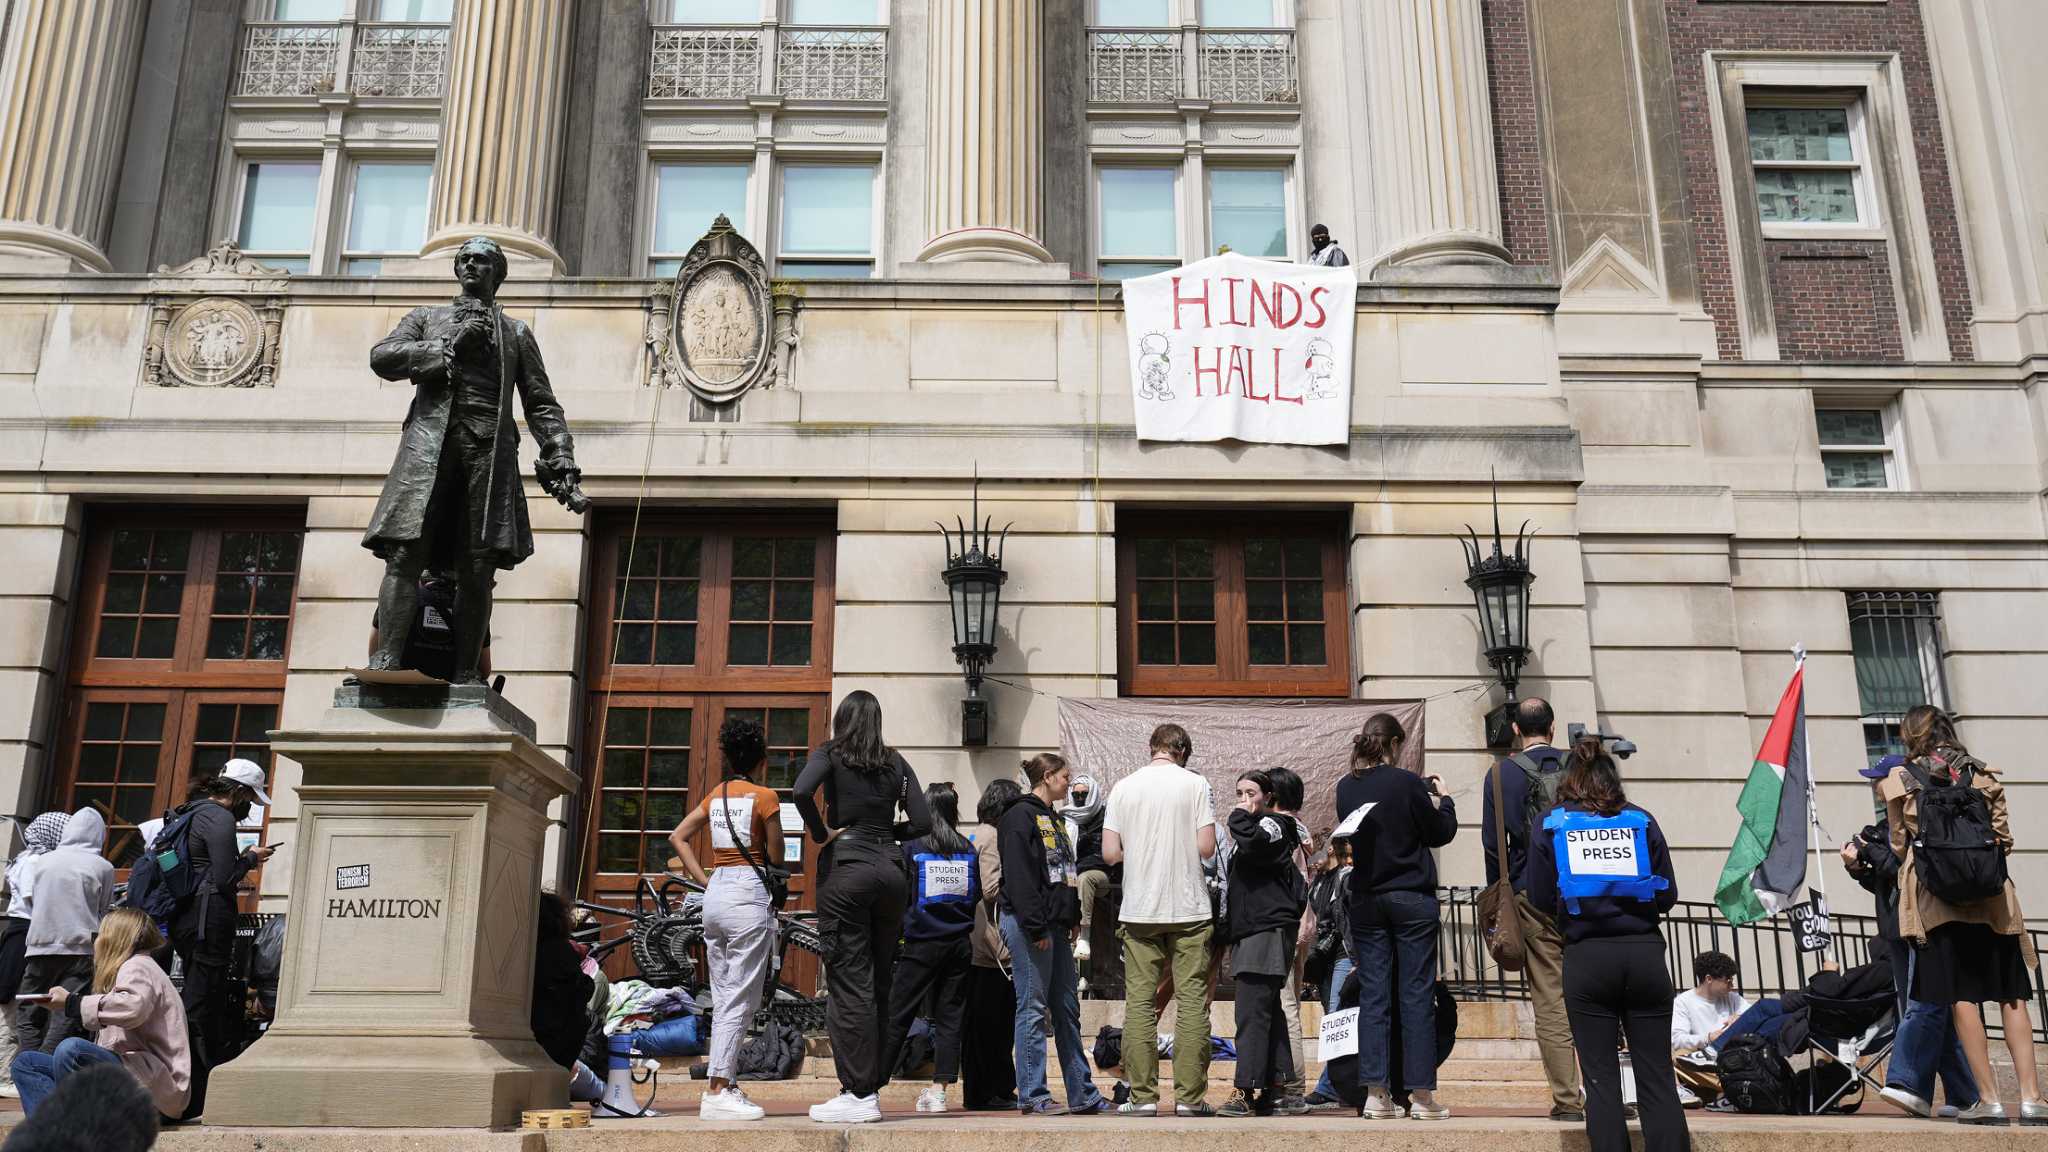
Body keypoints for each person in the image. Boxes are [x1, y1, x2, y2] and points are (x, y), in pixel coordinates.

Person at [1883, 705, 2044, 1125]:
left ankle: (1988, 1100)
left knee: (1962, 998)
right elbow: (2004, 838)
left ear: (1909, 735)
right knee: (2012, 997)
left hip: (1938, 906)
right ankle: (2031, 1099)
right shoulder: (1984, 774)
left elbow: (1900, 846)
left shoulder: (1900, 781)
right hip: (1993, 904)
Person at [1526, 736, 1684, 1152]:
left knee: (1600, 1081)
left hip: (1587, 956)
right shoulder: (1642, 820)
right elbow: (1667, 894)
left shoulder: (1550, 823)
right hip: (1644, 952)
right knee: (1657, 1078)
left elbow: (1539, 898)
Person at [792, 690, 932, 1124]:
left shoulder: (831, 753)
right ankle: (868, 1087)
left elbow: (800, 792)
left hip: (847, 869)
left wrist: (821, 833)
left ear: (842, 719)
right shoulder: (896, 762)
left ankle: (857, 1093)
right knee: (879, 983)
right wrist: (887, 834)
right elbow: (924, 822)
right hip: (891, 871)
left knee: (850, 982)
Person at [1842, 754, 1979, 1119]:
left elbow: (1911, 873)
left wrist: (1872, 850)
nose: (1874, 786)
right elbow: (1887, 883)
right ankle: (1965, 1094)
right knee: (1930, 1011)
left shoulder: (1921, 818)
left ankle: (1907, 1083)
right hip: (1896, 929)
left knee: (1923, 1006)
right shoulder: (1886, 824)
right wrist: (1858, 869)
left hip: (1921, 926)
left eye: (1879, 779)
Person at [1337, 712, 1455, 1120]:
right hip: (1410, 896)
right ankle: (1421, 1096)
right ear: (1393, 744)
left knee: (1374, 997)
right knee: (1416, 994)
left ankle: (1376, 1093)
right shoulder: (1407, 782)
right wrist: (1445, 800)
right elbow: (1438, 832)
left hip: (1367, 898)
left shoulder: (1344, 787)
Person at [669, 716, 783, 1122]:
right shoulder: (765, 796)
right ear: (761, 758)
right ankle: (717, 1087)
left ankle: (724, 1082)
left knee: (723, 996)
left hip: (715, 896)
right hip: (747, 896)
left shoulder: (715, 796)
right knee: (742, 997)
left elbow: (678, 837)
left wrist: (705, 881)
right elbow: (777, 854)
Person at [1102, 723, 1218, 1117]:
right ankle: (1189, 1099)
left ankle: (1143, 1098)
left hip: (1139, 909)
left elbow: (1109, 853)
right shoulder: (1195, 785)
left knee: (1139, 1003)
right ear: (1182, 750)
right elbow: (1206, 847)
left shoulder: (1122, 787)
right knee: (1191, 1004)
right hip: (1189, 907)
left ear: (1151, 748)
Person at [1479, 697, 1582, 1120]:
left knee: (1551, 1001)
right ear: (1553, 728)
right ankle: (1608, 1090)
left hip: (1531, 895)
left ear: (1516, 731)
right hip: (1587, 891)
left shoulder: (1501, 774)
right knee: (1597, 996)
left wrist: (1499, 891)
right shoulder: (1580, 765)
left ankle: (1568, 1100)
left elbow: (1491, 842)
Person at [163, 759, 278, 1119]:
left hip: (186, 916)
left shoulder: (191, 810)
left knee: (197, 998)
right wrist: (250, 858)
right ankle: (193, 1091)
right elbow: (226, 874)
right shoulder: (221, 818)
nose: (249, 809)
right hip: (208, 919)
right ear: (240, 793)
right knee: (202, 1003)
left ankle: (187, 1086)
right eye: (251, 800)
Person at [999, 754, 1112, 1117]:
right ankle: (1033, 1094)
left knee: (1067, 1008)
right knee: (1032, 1008)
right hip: (1031, 925)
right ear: (1047, 777)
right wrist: (1035, 927)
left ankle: (1082, 1093)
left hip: (1057, 925)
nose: (1069, 783)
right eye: (1064, 777)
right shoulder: (1018, 816)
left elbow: (1066, 872)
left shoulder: (1057, 819)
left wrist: (1073, 915)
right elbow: (1019, 877)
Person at [10, 907, 188, 1120]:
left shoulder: (137, 966)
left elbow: (132, 1008)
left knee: (72, 1050)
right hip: (134, 1078)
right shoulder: (131, 968)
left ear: (115, 939)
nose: (95, 942)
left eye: (99, 935)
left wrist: (72, 1003)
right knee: (27, 1063)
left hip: (154, 1092)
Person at [886, 782, 980, 1114]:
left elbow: (902, 893)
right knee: (950, 1017)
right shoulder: (968, 849)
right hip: (958, 944)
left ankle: (872, 1084)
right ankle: (940, 1090)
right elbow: (976, 895)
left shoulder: (913, 847)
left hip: (921, 943)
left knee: (898, 1012)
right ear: (954, 811)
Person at [1218, 770, 1306, 1117]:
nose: (1243, 799)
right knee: (1267, 1010)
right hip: (1255, 929)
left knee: (1252, 1011)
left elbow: (1253, 842)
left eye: (1251, 792)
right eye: (1239, 792)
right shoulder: (1266, 825)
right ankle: (1277, 1087)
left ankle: (1245, 1090)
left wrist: (1241, 813)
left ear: (1268, 796)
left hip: (1266, 930)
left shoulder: (1273, 825)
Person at [17, 809, 111, 1058]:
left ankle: (28, 1065)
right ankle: (44, 1067)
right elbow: (103, 909)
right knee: (65, 1014)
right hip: (80, 949)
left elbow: (31, 901)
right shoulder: (103, 866)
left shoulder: (42, 861)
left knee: (28, 1010)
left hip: (39, 945)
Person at [962, 779, 1021, 1112]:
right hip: (992, 947)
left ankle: (984, 1089)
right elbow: (989, 888)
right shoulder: (993, 837)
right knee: (995, 1025)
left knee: (982, 1025)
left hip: (977, 940)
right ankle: (993, 1089)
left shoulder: (976, 833)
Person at [0, 813, 68, 1098]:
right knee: (13, 1011)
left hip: (27, 935)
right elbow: (35, 900)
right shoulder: (33, 862)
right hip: (25, 936)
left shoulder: (28, 859)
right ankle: (5, 1076)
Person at [1264, 766, 1313, 1114]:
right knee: (1289, 1004)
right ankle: (1289, 1084)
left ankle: (1293, 1087)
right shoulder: (1300, 828)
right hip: (1300, 927)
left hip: (1285, 927)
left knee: (1285, 1007)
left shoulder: (1280, 829)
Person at [0, 1061, 160, 1152]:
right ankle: (59, 1121)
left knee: (70, 1048)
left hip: (141, 1068)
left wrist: (76, 1004)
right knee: (25, 1063)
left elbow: (135, 1011)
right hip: (100, 1061)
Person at [366, 570, 491, 682]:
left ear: (420, 581)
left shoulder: (396, 600)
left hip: (402, 689)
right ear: (456, 582)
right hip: (449, 693)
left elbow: (376, 652)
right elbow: (484, 670)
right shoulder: (474, 611)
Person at [1302, 836, 1352, 1110]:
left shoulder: (1344, 876)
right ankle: (1342, 1084)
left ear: (1330, 849)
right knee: (1332, 1017)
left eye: (1315, 853)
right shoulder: (1318, 882)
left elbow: (1346, 919)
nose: (1311, 859)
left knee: (1336, 1017)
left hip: (1343, 953)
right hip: (1323, 957)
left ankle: (1328, 1087)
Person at [530, 892, 593, 1105]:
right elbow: (583, 989)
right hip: (557, 1041)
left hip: (540, 1032)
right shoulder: (561, 949)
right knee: (588, 1018)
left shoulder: (532, 949)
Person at [1669, 951, 1746, 1104]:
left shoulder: (1733, 999)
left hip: (1733, 1057)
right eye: (1727, 980)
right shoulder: (1683, 1002)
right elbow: (1677, 1040)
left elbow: (1756, 1014)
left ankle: (1729, 1088)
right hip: (1704, 1059)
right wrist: (1708, 1038)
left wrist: (1741, 1018)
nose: (1731, 985)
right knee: (1679, 1056)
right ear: (1709, 979)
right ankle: (1733, 1088)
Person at [1062, 775, 1112, 968]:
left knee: (1085, 878)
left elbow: (1106, 854)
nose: (1080, 797)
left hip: (1100, 873)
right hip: (1071, 872)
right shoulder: (1067, 818)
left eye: (1084, 793)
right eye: (1076, 794)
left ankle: (1084, 934)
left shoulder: (1105, 816)